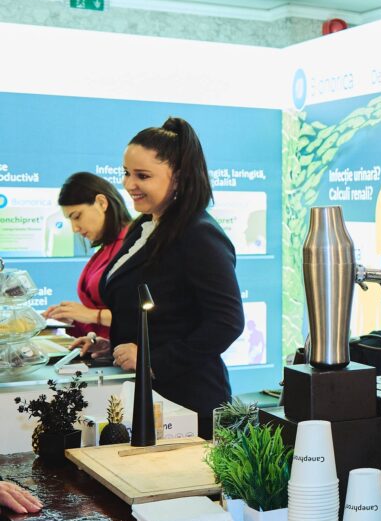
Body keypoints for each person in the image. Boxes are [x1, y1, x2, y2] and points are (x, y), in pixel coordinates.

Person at [87, 117, 244, 439]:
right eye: (126, 173)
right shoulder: (144, 227)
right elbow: (159, 312)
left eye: (142, 176)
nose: (129, 184)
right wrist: (114, 344)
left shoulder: (200, 234)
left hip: (188, 402)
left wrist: (152, 360)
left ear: (180, 178)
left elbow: (227, 322)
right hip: (150, 399)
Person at [42, 173, 132, 339]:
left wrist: (91, 315)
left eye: (77, 216)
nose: (74, 228)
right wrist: (73, 318)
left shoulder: (134, 246)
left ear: (101, 203)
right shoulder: (108, 247)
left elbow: (143, 317)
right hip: (109, 348)